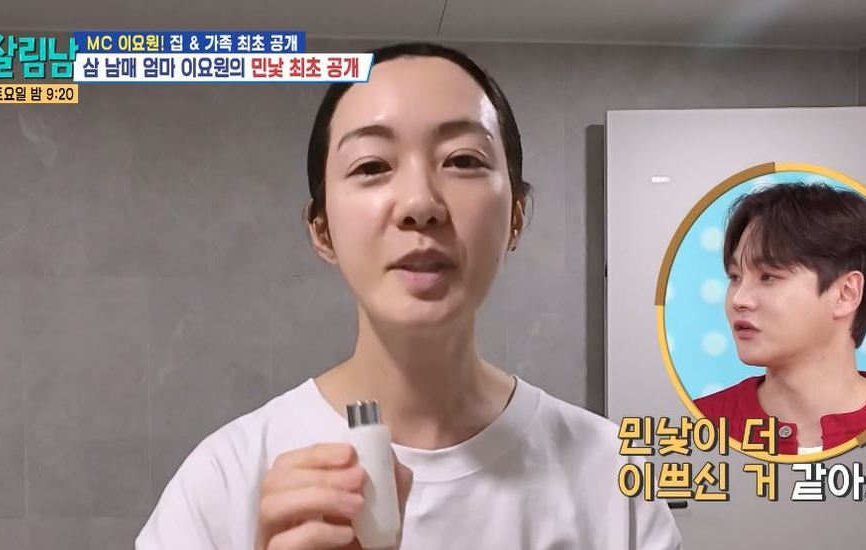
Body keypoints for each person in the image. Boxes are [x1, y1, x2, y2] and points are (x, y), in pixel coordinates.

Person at [136, 42, 682, 549]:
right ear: (322, 229)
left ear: (516, 216)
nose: (420, 204)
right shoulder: (225, 481)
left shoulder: (613, 477)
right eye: (372, 166)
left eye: (463, 160)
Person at [694, 182, 866, 455]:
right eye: (735, 277)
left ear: (846, 293)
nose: (739, 300)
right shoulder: (698, 427)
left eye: (768, 277)